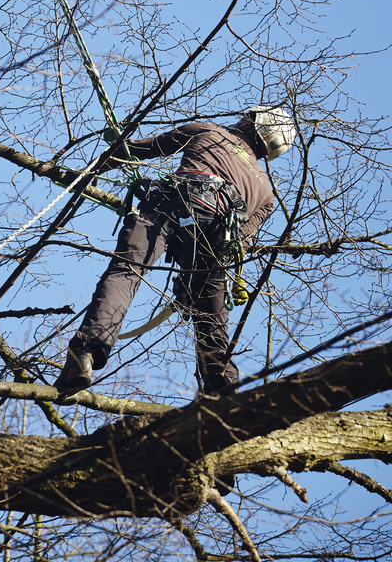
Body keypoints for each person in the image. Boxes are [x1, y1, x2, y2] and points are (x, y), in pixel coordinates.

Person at [54, 107, 295, 396]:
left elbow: (138, 150)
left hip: (172, 204)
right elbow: (240, 242)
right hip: (218, 237)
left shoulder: (209, 131)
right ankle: (223, 390)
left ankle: (86, 351)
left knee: (127, 271)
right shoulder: (266, 195)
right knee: (212, 319)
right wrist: (195, 282)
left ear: (249, 123)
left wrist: (89, 170)